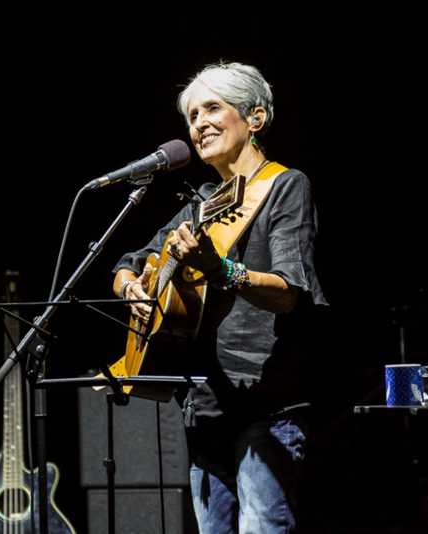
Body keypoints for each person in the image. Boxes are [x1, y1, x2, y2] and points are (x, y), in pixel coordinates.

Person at [111, 61, 327, 533]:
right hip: (206, 405)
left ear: (254, 118)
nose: (199, 124)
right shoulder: (200, 203)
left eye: (213, 108)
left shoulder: (285, 187)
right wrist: (133, 289)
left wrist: (221, 268)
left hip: (266, 403)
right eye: (191, 115)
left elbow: (290, 293)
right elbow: (128, 262)